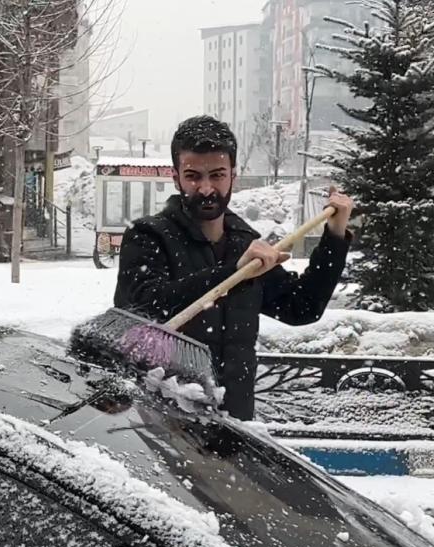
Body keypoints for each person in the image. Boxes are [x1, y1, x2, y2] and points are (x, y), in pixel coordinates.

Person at [113, 115, 353, 420]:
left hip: (234, 423)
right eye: (193, 176)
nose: (206, 188)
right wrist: (233, 272)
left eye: (217, 175)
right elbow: (143, 307)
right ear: (176, 177)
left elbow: (302, 307)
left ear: (233, 176)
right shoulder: (149, 237)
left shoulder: (244, 241)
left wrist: (335, 235)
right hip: (165, 424)